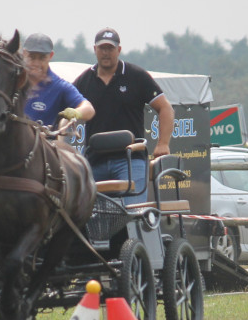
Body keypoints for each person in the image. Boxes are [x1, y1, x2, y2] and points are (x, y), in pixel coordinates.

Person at [73, 27, 175, 204]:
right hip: (94, 161)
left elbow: (165, 108)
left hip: (130, 161)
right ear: (95, 50)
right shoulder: (84, 81)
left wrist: (163, 143)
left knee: (133, 215)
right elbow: (65, 112)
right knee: (90, 218)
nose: (106, 53)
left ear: (119, 50)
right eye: (102, 48)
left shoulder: (136, 76)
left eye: (110, 48)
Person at [0, 32, 94, 129]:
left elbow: (88, 109)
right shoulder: (13, 81)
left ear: (50, 56)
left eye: (41, 58)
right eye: (32, 57)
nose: (36, 63)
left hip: (45, 150)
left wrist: (75, 113)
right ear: (24, 54)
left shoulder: (60, 87)